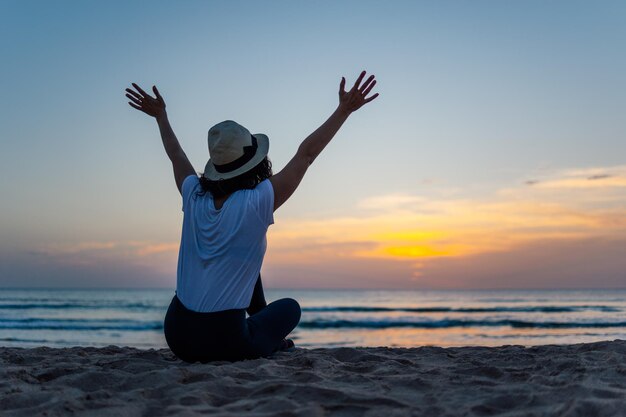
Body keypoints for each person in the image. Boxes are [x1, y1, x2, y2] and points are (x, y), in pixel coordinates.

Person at [125, 71, 379, 362]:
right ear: (255, 164)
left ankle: (262, 330)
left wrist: (161, 117)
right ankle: (269, 341)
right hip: (226, 341)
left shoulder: (193, 193)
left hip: (177, 335)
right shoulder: (258, 201)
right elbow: (306, 154)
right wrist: (343, 111)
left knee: (246, 262)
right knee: (290, 308)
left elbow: (176, 155)